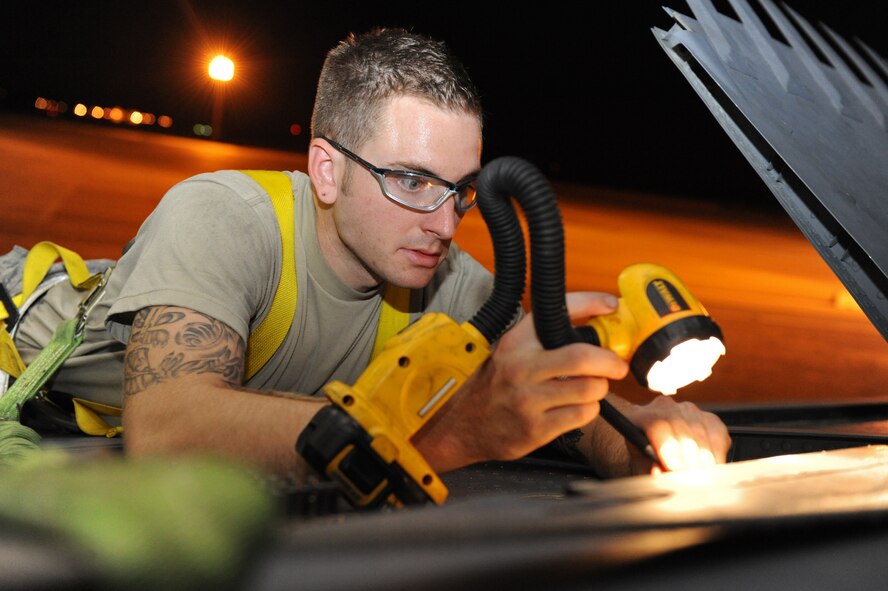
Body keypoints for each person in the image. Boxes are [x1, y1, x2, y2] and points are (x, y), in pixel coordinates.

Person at [10, 27, 730, 487]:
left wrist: (651, 436)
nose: (445, 222)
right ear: (327, 170)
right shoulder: (225, 214)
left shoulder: (448, 282)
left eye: (461, 191)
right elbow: (168, 432)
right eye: (411, 180)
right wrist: (450, 433)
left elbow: (566, 404)